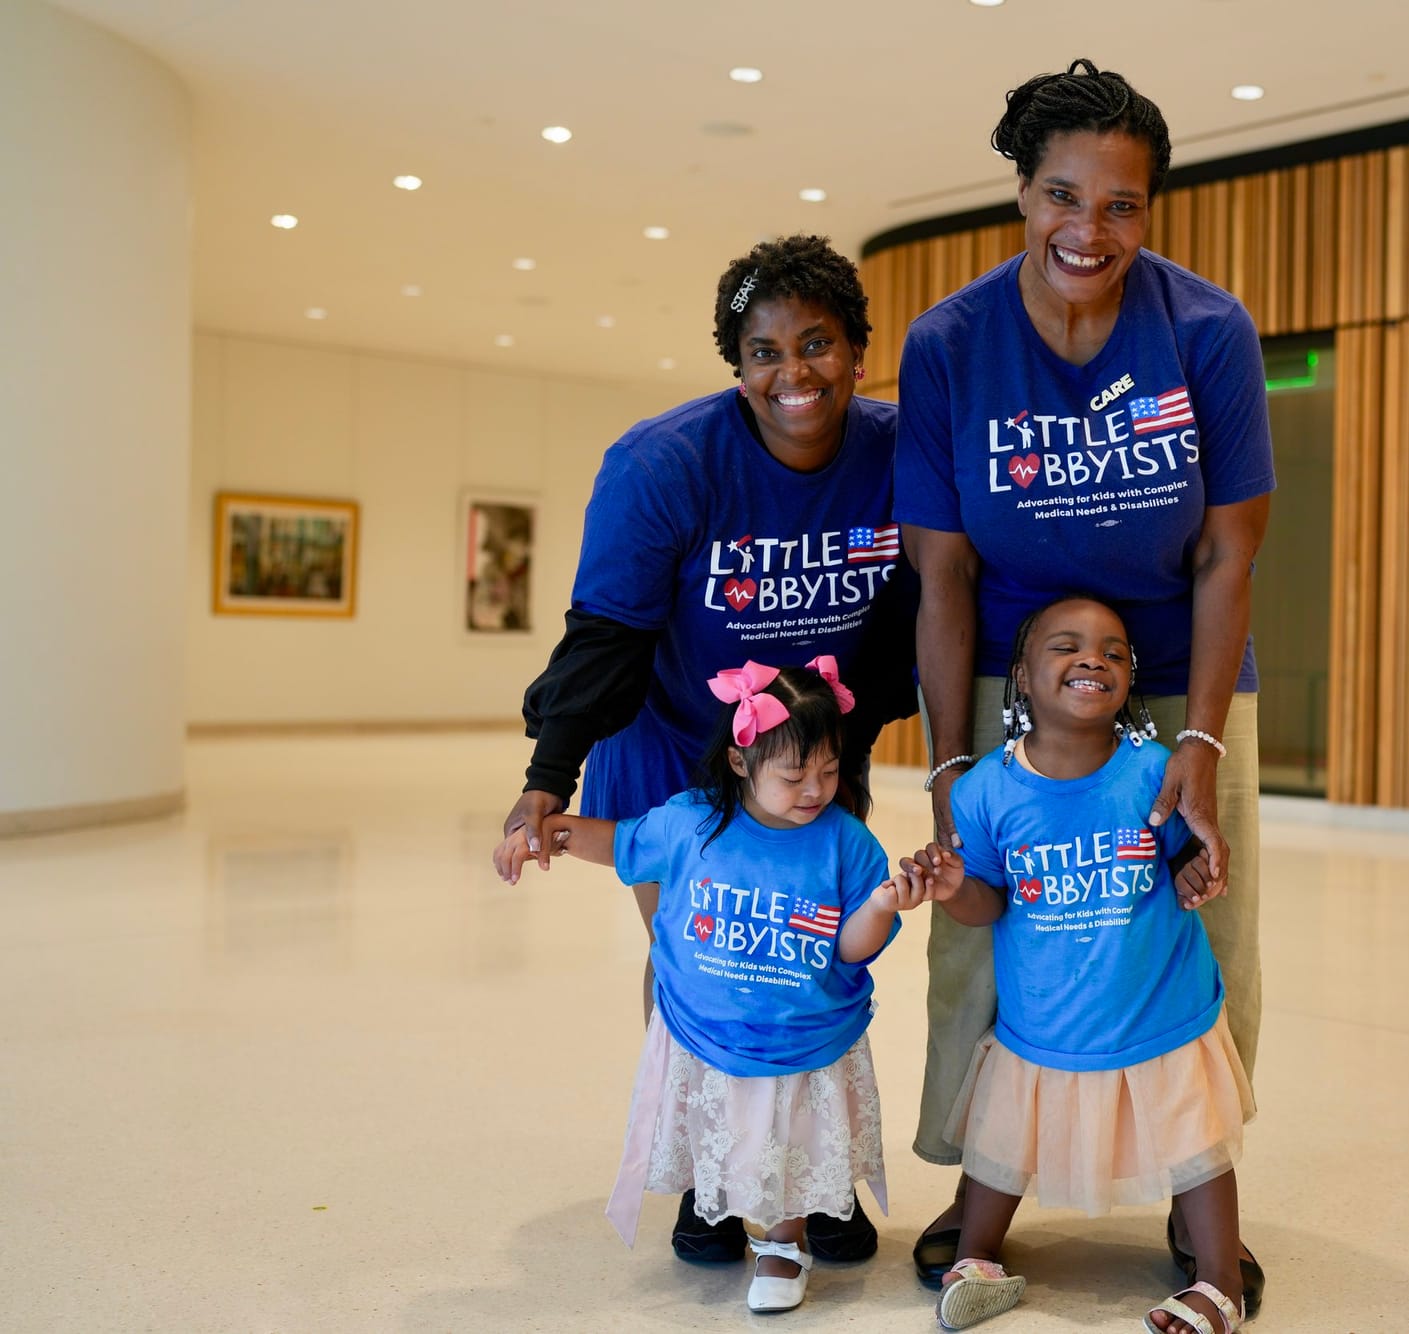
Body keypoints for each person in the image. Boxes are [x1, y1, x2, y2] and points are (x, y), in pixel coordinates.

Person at [893, 59, 1273, 1307]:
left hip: (1177, 673)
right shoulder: (949, 343)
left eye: (1121, 205)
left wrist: (1200, 745)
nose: (1088, 231)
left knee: (1200, 920)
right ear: (1020, 192)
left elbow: (1227, 550)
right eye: (1063, 196)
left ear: (1149, 210)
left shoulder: (1205, 329)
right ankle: (980, 1180)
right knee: (985, 928)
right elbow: (940, 576)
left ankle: (1192, 1182)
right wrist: (950, 768)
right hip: (1015, 679)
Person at [503, 234, 911, 1264]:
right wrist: (544, 781)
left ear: (859, 349)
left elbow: (929, 612)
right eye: (763, 350)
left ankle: (816, 1181)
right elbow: (604, 631)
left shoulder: (902, 451)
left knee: (817, 957)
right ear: (736, 363)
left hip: (810, 758)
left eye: (817, 342)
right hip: (676, 748)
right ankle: (711, 1181)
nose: (793, 373)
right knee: (705, 965)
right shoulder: (664, 461)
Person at [493, 661, 929, 1314]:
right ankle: (714, 1203)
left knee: (789, 1138)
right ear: (738, 760)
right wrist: (547, 834)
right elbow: (618, 842)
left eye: (829, 771)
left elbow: (851, 948)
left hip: (799, 1037)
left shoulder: (846, 842)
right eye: (794, 774)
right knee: (722, 1125)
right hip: (708, 1029)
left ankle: (785, 1242)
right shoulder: (692, 822)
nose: (815, 789)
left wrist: (884, 906)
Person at [898, 597, 1254, 1334]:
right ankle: (979, 1263)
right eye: (1067, 647)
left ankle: (1221, 1282)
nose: (1095, 659)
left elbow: (1190, 861)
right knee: (1001, 1144)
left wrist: (1198, 874)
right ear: (1020, 678)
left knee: (1195, 1143)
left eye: (1115, 653)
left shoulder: (1155, 770)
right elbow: (988, 904)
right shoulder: (984, 791)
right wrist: (952, 886)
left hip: (1157, 1008)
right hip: (1043, 1016)